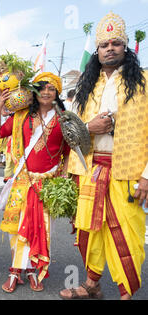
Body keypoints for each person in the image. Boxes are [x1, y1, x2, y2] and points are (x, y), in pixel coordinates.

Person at [59, 12, 147, 300]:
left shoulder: (144, 83)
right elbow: (72, 132)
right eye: (104, 45)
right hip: (91, 168)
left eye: (115, 43)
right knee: (88, 231)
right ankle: (92, 284)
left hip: (128, 170)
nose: (109, 48)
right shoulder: (87, 86)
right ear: (96, 51)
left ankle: (126, 292)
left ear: (125, 48)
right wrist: (89, 127)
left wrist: (147, 176)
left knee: (125, 233)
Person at [0, 72, 70, 293]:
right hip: (22, 180)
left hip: (48, 184)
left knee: (42, 229)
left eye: (51, 88)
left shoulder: (64, 119)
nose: (46, 92)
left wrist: (64, 175)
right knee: (17, 228)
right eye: (42, 87)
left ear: (57, 93)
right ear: (35, 92)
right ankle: (15, 271)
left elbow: (69, 150)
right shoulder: (22, 116)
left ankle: (33, 270)